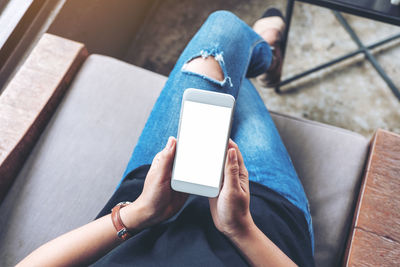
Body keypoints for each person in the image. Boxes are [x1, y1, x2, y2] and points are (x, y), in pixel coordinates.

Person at [17, 9, 314, 267]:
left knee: (221, 37)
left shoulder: (144, 207)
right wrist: (239, 228)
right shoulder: (249, 223)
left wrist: (139, 213)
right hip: (261, 220)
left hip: (153, 197)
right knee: (229, 51)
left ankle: (261, 49)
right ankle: (265, 48)